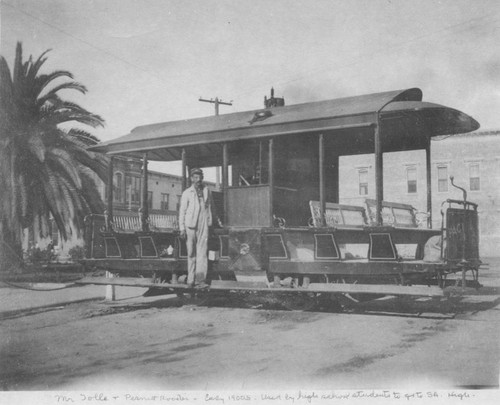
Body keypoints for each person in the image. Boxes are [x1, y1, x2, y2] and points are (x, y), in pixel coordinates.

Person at [179, 168, 214, 288]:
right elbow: (182, 211)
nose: (198, 180)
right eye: (195, 177)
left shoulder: (207, 190)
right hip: (190, 225)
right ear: (191, 179)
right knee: (191, 253)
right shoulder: (187, 193)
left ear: (202, 178)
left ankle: (200, 280)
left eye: (200, 177)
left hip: (204, 223)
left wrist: (213, 221)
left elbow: (211, 207)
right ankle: (190, 279)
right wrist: (182, 228)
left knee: (202, 253)